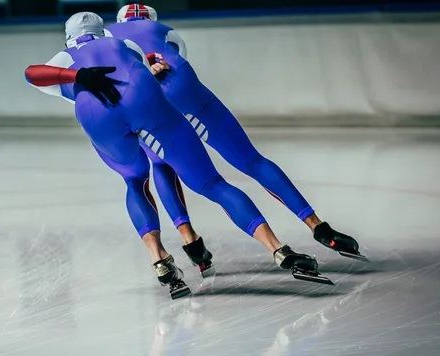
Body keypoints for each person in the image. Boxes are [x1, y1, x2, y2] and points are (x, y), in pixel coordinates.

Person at [24, 12, 333, 299]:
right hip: (145, 98)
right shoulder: (122, 43)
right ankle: (278, 249)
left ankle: (159, 260)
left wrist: (75, 75)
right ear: (101, 31)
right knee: (212, 183)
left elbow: (32, 73)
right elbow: (153, 62)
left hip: (96, 115)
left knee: (134, 180)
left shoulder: (64, 57)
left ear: (69, 38)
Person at [104, 4, 368, 264]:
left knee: (164, 164)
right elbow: (180, 57)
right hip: (181, 84)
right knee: (252, 160)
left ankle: (190, 241)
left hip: (143, 100)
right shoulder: (164, 30)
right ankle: (318, 225)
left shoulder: (107, 37)